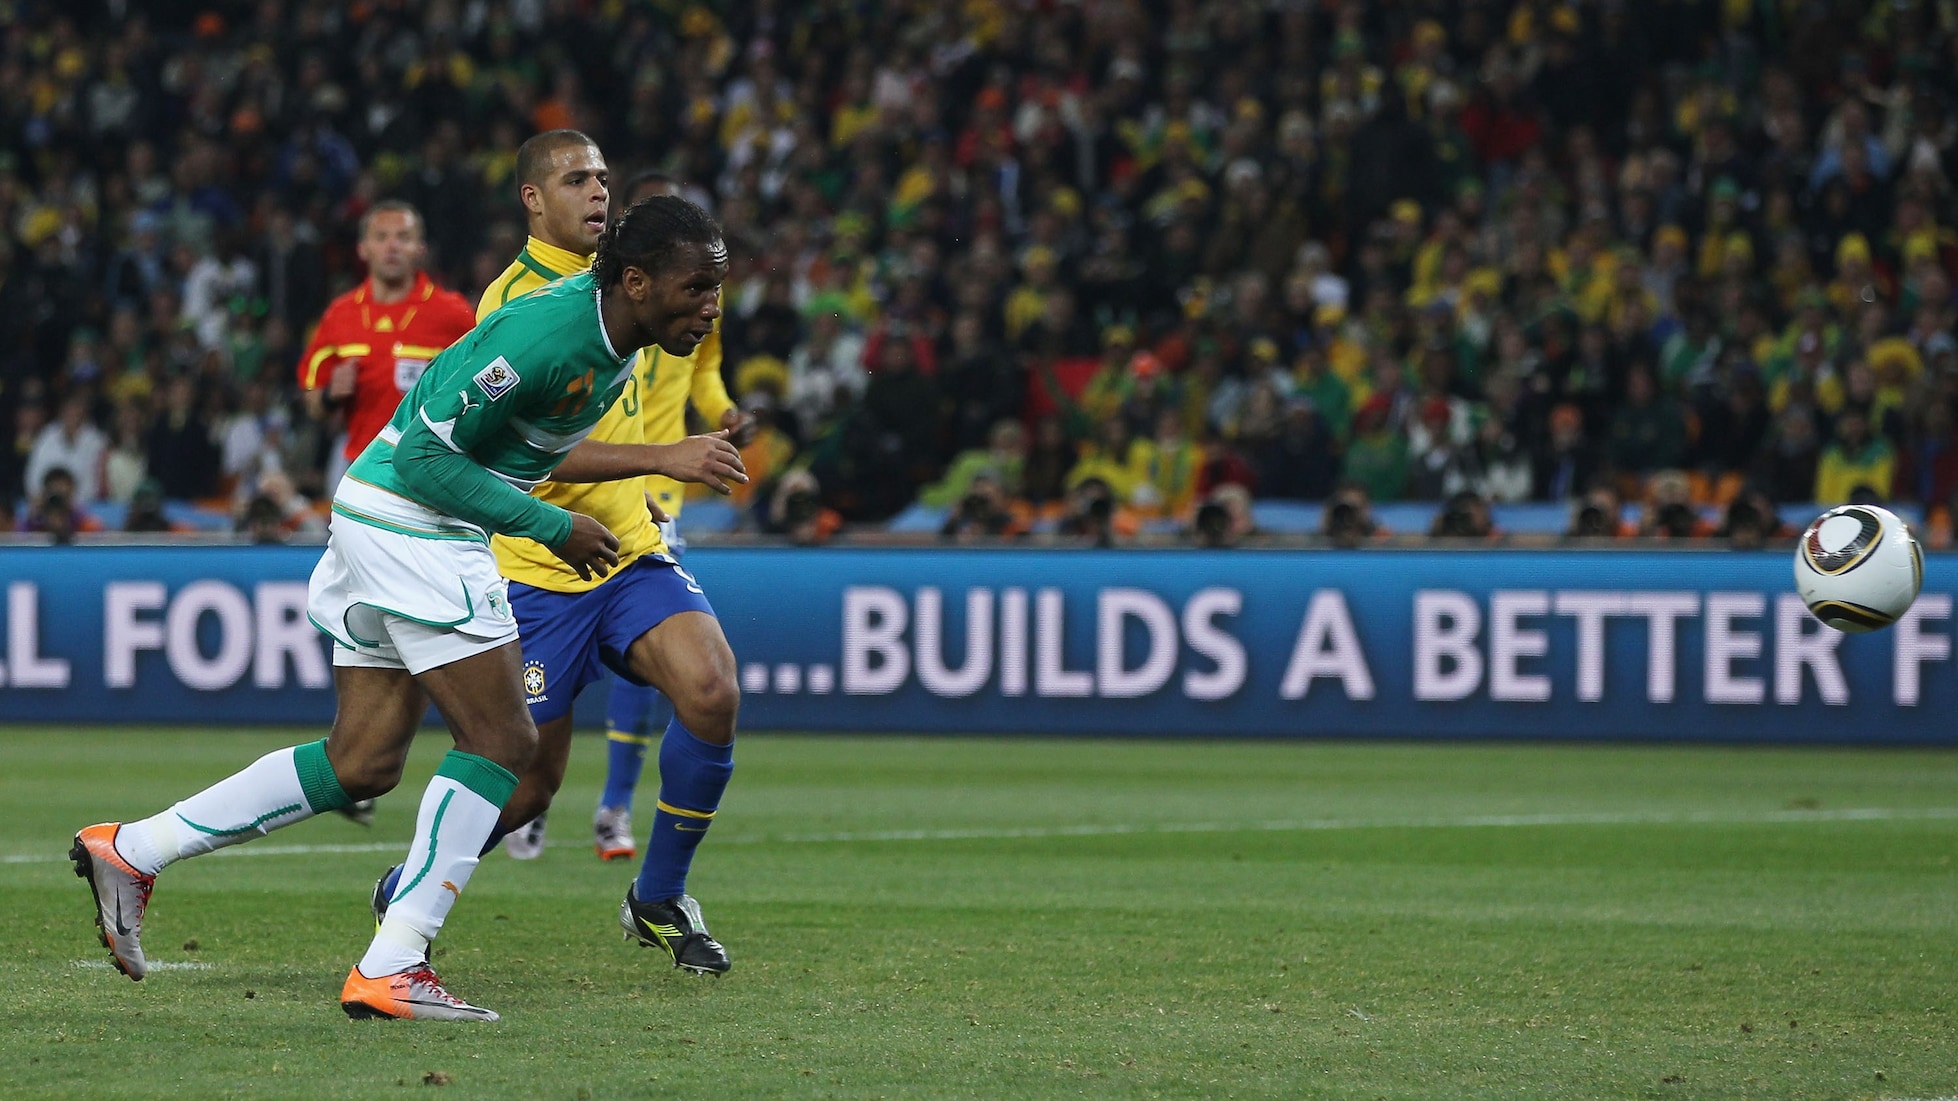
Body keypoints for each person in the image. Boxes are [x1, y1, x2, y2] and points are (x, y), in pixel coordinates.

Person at [71, 195, 727, 1021]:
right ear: (636, 281)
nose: (711, 306)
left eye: (716, 288)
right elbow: (424, 455)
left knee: (363, 759)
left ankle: (133, 849)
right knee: (504, 740)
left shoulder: (610, 337)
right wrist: (552, 524)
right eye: (696, 287)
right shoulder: (549, 335)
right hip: (415, 521)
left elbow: (512, 444)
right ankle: (396, 958)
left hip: (384, 515)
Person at [372, 140, 749, 976]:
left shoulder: (627, 295)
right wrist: (662, 456)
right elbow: (504, 456)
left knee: (712, 688)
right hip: (537, 566)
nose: (598, 194)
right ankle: (414, 880)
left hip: (628, 548)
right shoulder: (518, 308)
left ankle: (657, 894)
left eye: (606, 179)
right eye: (578, 180)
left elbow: (641, 404)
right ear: (532, 200)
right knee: (531, 782)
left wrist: (674, 451)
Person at [587, 168, 752, 866]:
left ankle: (615, 806)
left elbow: (706, 371)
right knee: (554, 673)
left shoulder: (697, 302)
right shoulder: (608, 304)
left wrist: (722, 411)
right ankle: (524, 791)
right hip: (590, 485)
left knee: (657, 667)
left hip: (667, 488)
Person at [296, 200, 476, 492]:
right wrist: (330, 395)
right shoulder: (339, 315)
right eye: (381, 237)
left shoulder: (454, 315)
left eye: (403, 237)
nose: (392, 246)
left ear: (420, 248)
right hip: (362, 469)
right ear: (363, 248)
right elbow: (313, 403)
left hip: (434, 472)